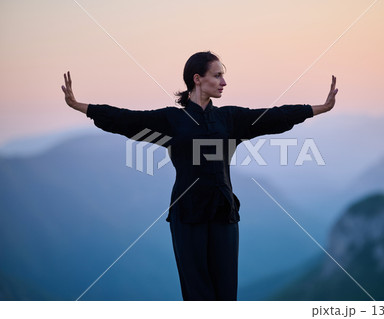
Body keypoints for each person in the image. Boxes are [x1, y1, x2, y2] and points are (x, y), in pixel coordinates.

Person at [61, 51, 338, 301]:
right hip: (187, 215)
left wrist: (317, 109)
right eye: (217, 75)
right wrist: (81, 106)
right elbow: (127, 119)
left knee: (226, 294)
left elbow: (272, 116)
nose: (224, 82)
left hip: (223, 213)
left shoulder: (230, 119)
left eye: (223, 76)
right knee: (197, 295)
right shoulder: (172, 120)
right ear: (197, 79)